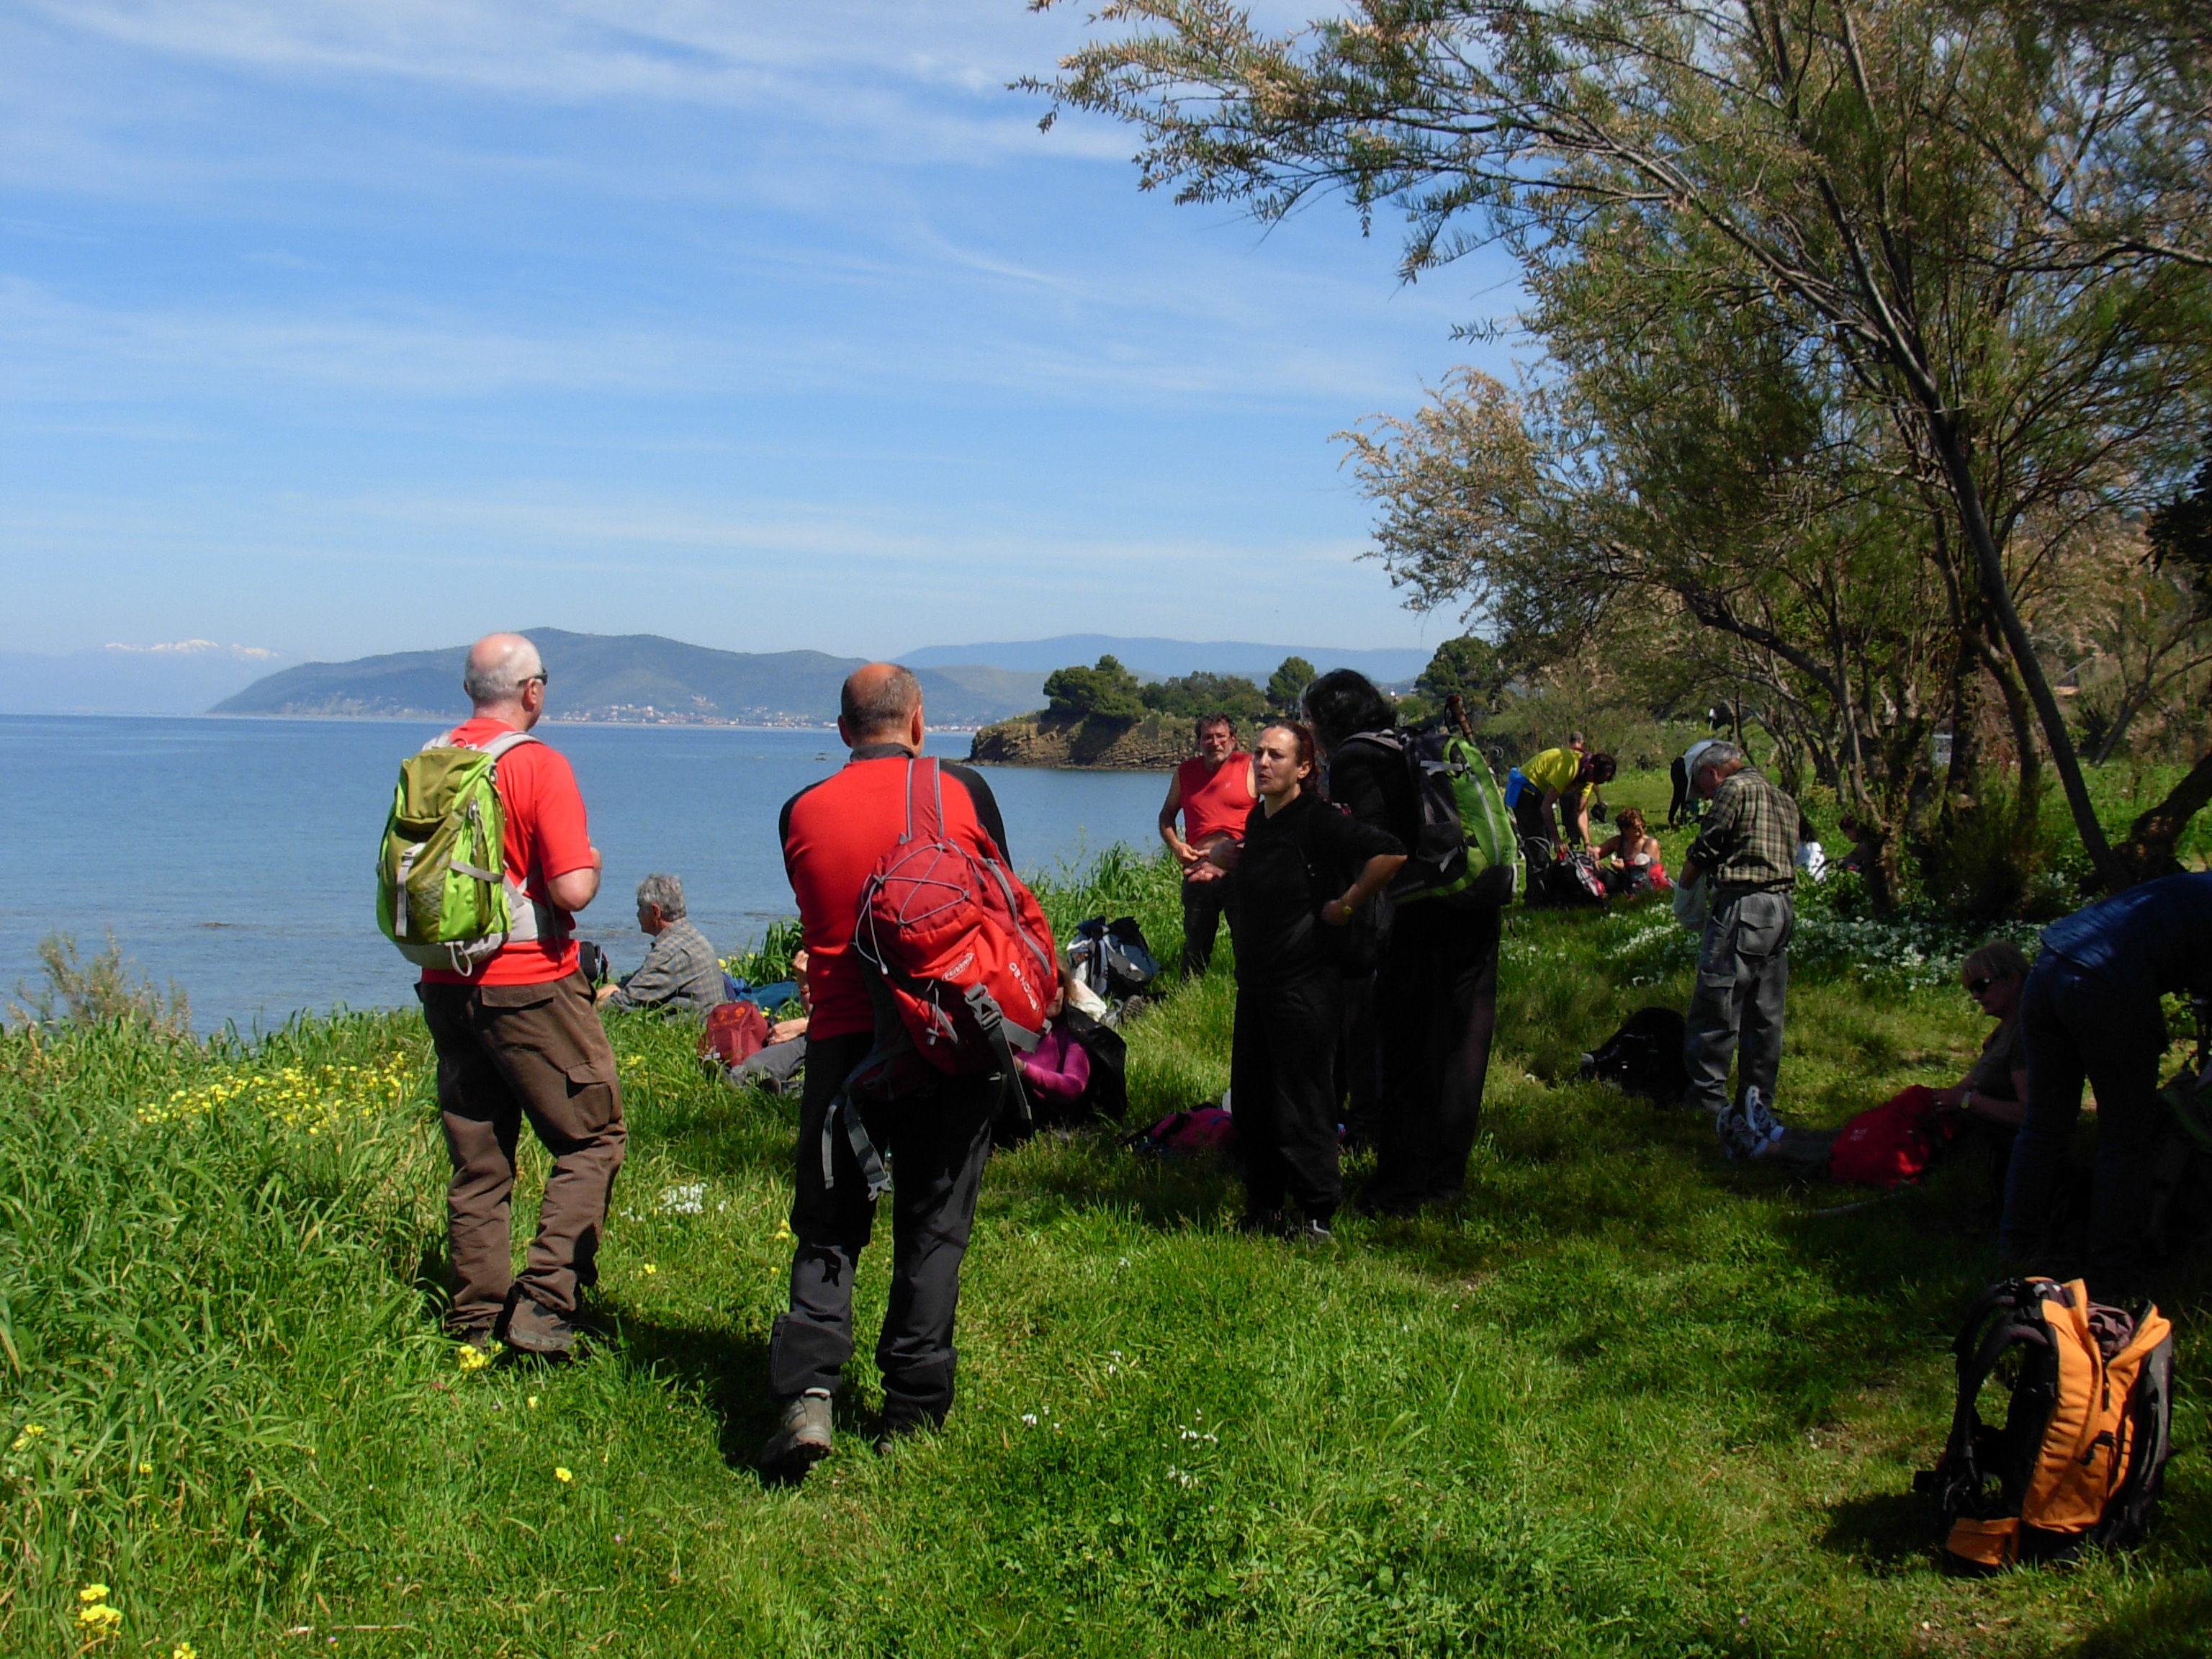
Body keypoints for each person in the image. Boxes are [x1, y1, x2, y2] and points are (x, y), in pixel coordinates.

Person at [760, 664, 1015, 1477]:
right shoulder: (964, 791)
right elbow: (1002, 906)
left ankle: (808, 1396)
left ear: (842, 730)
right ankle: (912, 1406)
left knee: (829, 1222)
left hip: (843, 1044)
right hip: (945, 1038)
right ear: (919, 722)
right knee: (934, 1224)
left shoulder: (799, 811)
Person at [414, 633, 625, 1356]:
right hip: (529, 981)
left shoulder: (432, 760)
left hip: (446, 979)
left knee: (479, 1157)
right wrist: (591, 865)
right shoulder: (537, 765)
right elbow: (570, 890)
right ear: (532, 690)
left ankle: (474, 1317)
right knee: (592, 1137)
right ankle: (544, 1305)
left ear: (470, 691)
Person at [1305, 668, 1501, 1215]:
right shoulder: (1411, 741)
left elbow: (1371, 846)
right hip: (1475, 901)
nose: (1310, 730)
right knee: (1463, 1047)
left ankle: (1399, 1189)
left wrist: (1341, 902)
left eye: (1312, 719)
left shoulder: (1356, 758)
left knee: (1410, 1051)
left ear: (1330, 719)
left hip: (1421, 915)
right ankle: (1445, 1180)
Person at [1210, 721, 1403, 1240]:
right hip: (1256, 984)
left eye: (1276, 755)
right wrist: (1231, 858)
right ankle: (1264, 1206)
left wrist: (1346, 904)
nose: (1263, 763)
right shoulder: (1259, 819)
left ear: (1304, 768)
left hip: (1305, 986)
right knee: (1253, 1102)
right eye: (1259, 753)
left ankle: (1316, 1212)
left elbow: (1390, 852)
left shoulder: (1318, 819)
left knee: (1304, 1102)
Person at [2001, 872, 2212, 1298]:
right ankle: (2111, 1273)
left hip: (2051, 965)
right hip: (2106, 983)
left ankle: (2015, 1249)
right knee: (2126, 1137)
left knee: (2044, 1125)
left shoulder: (2192, 889)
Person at [1726, 940, 2030, 1175]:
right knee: (1875, 1125)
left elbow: (2028, 1114)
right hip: (1952, 1121)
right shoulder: (2004, 1031)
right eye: (1970, 989)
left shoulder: (2025, 1040)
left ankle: (1768, 1149)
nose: (1976, 996)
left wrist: (1966, 1102)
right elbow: (1969, 1084)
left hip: (1975, 1139)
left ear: (2013, 979)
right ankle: (1778, 1134)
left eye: (1981, 986)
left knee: (1875, 1142)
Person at [1676, 740, 1800, 1125]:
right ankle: (1757, 1099)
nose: (1705, 796)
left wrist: (1685, 887)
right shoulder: (1781, 797)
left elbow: (1708, 844)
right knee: (1765, 1013)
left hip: (1744, 905)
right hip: (1780, 908)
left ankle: (1706, 1097)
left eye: (1702, 787)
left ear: (1711, 772)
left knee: (1719, 1001)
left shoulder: (1734, 789)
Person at [1159, 714, 1257, 978]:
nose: (1215, 743)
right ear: (1199, 742)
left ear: (1233, 739)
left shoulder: (1250, 767)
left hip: (1239, 870)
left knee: (1248, 943)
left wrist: (1248, 850)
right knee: (1195, 947)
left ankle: (1251, 990)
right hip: (1198, 871)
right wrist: (1176, 846)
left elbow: (1274, 814)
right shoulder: (1185, 772)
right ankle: (1188, 994)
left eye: (1221, 737)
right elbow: (1167, 815)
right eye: (1208, 738)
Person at [595, 873, 724, 1015]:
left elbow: (626, 1003)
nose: (637, 914)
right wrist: (616, 987)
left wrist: (593, 1005)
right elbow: (639, 981)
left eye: (640, 908)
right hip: (710, 1020)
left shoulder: (669, 952)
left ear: (655, 912)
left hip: (690, 1025)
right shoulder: (689, 935)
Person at [728, 949, 811, 1094]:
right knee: (753, 1067)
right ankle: (743, 1077)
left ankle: (790, 1091)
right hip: (825, 1029)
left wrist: (803, 1025)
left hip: (847, 1038)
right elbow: (816, 1011)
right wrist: (804, 984)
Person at [1509, 743, 1617, 852]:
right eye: (1597, 780)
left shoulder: (1588, 777)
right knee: (1538, 845)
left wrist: (1587, 844)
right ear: (1591, 767)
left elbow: (1581, 812)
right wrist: (1557, 840)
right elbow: (1546, 806)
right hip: (1526, 789)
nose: (1596, 783)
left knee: (1546, 843)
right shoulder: (1568, 767)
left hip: (1541, 792)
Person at [1595, 806, 1668, 896]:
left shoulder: (1650, 844)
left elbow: (1648, 876)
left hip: (1642, 886)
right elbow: (1596, 851)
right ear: (1625, 830)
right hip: (1622, 883)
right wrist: (1595, 859)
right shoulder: (1619, 841)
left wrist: (1623, 869)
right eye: (1636, 828)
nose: (1641, 830)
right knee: (1596, 869)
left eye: (1642, 826)